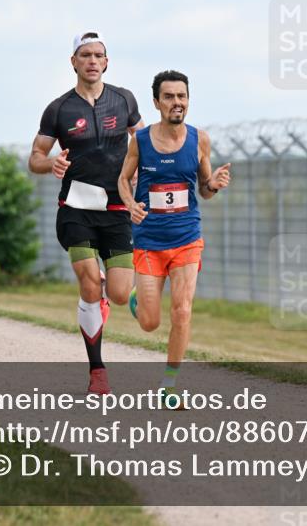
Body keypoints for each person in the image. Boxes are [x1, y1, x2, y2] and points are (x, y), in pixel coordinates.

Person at [29, 31, 144, 395]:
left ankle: (107, 299)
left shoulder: (124, 100)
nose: (92, 60)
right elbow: (35, 158)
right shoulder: (59, 109)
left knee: (122, 294)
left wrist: (149, 169)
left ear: (106, 62)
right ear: (73, 62)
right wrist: (52, 165)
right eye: (85, 55)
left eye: (98, 55)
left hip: (117, 208)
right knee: (91, 283)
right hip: (76, 207)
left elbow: (143, 142)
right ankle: (97, 370)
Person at [117, 70, 231, 407]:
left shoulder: (200, 140)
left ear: (188, 100)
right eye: (169, 97)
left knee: (182, 311)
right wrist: (129, 205)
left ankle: (169, 386)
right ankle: (139, 298)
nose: (176, 102)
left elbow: (205, 189)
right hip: (150, 242)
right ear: (156, 102)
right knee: (151, 323)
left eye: (181, 96)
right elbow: (124, 179)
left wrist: (214, 185)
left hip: (187, 239)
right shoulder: (140, 141)